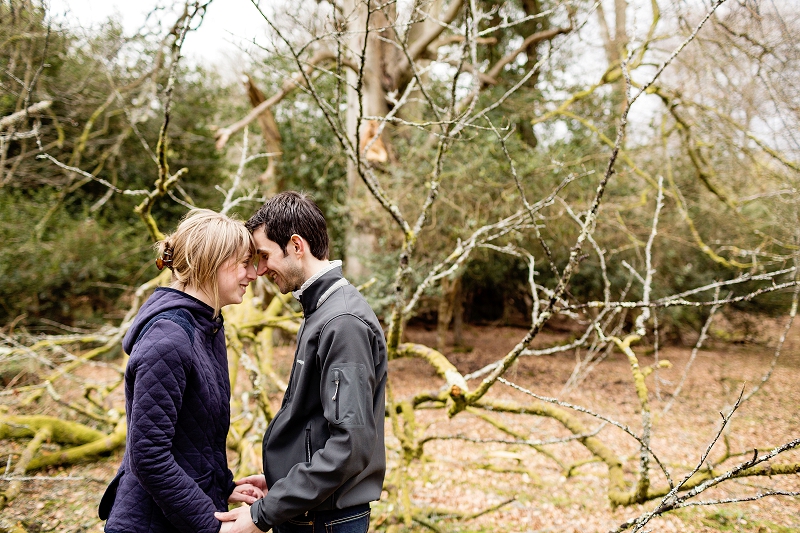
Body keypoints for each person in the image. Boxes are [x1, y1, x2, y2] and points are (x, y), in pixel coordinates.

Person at [215, 192, 388, 533]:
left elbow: (349, 445)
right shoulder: (322, 310)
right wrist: (282, 481)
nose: (260, 270)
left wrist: (263, 514)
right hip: (315, 513)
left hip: (326, 522)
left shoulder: (343, 322)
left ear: (296, 245)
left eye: (264, 256)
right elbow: (319, 423)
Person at [99, 209, 264, 533]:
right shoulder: (169, 340)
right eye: (244, 263)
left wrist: (223, 487)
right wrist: (211, 525)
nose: (253, 274)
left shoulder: (207, 327)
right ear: (213, 263)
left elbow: (196, 437)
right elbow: (149, 457)